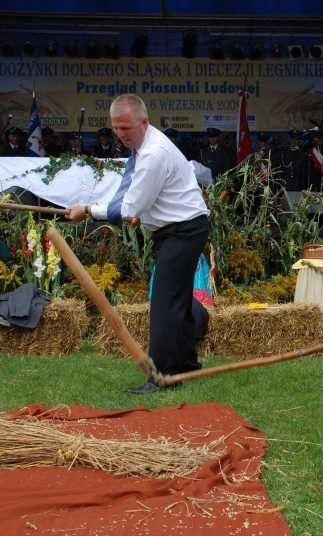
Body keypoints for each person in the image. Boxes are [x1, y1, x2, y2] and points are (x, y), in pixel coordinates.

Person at [65, 94, 210, 394]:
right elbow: (139, 202)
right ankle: (184, 364)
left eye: (126, 128)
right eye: (116, 128)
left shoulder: (152, 154)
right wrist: (139, 212)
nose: (120, 135)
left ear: (144, 122)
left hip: (182, 231)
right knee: (176, 300)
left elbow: (129, 208)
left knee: (164, 303)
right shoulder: (148, 145)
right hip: (181, 228)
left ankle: (162, 375)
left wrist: (87, 210)